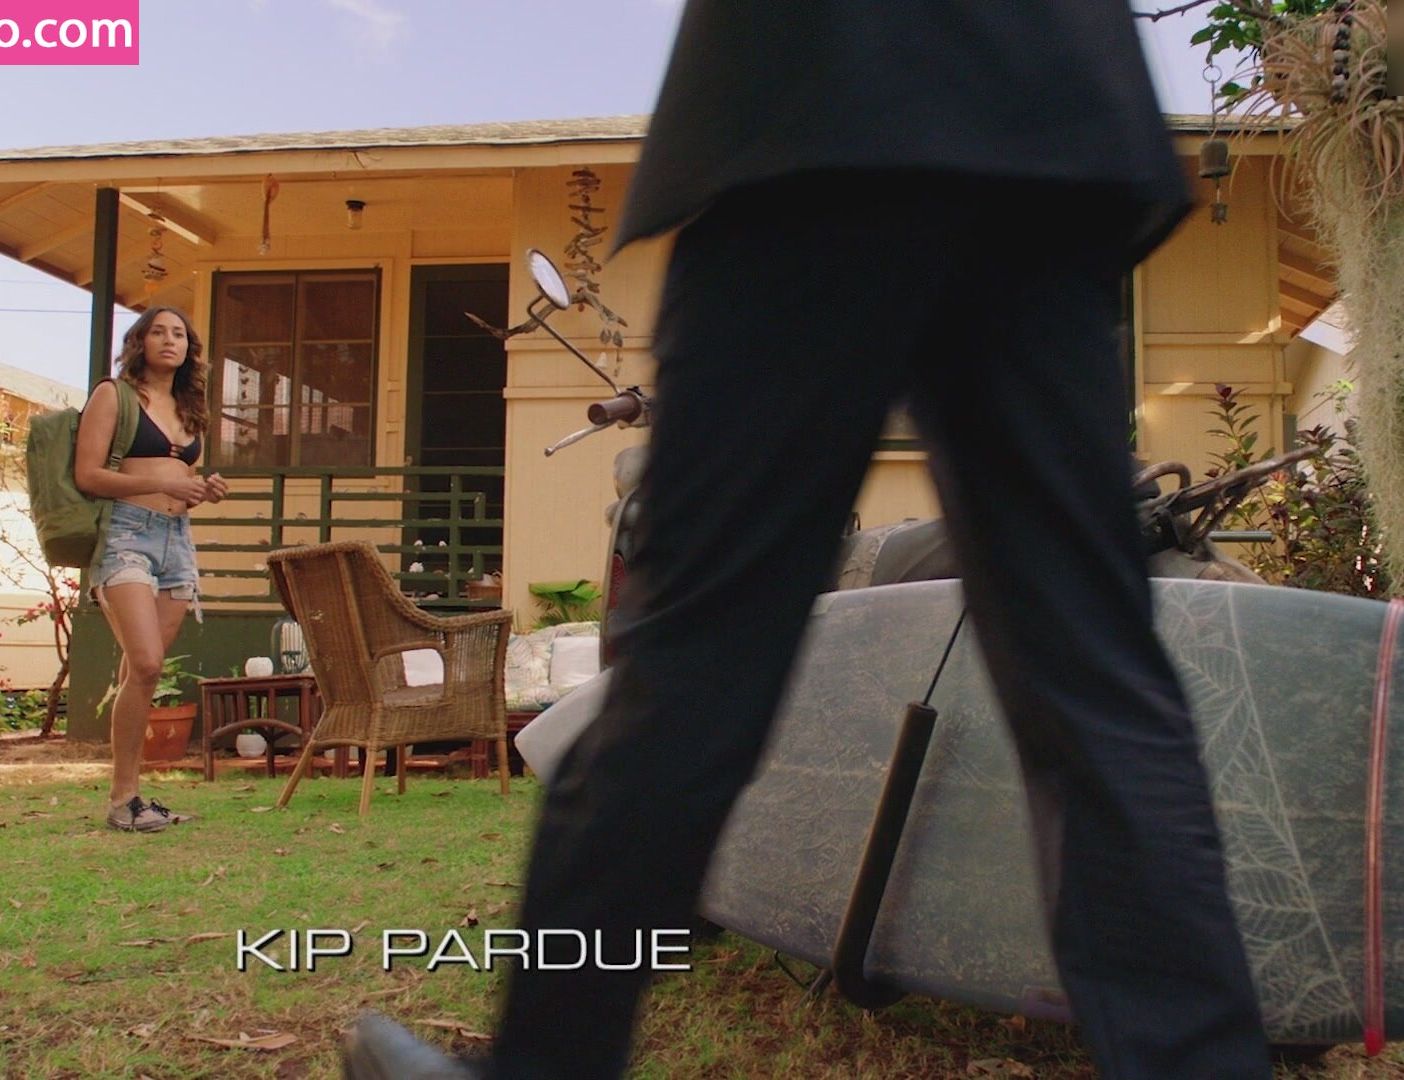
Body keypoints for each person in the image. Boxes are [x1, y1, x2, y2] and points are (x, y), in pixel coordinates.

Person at [346, 1, 1273, 1076]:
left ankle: (547, 1062)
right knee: (1096, 679)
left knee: (692, 659)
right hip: (1045, 125)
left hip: (813, 113)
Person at [73, 307, 227, 833]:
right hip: (126, 536)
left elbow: (181, 478)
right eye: (158, 331)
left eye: (179, 333)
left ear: (189, 348)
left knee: (144, 672)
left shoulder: (190, 407)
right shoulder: (113, 395)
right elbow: (89, 475)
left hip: (176, 542)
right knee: (144, 661)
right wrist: (163, 484)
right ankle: (123, 799)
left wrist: (203, 489)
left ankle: (132, 797)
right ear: (140, 341)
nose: (169, 340)